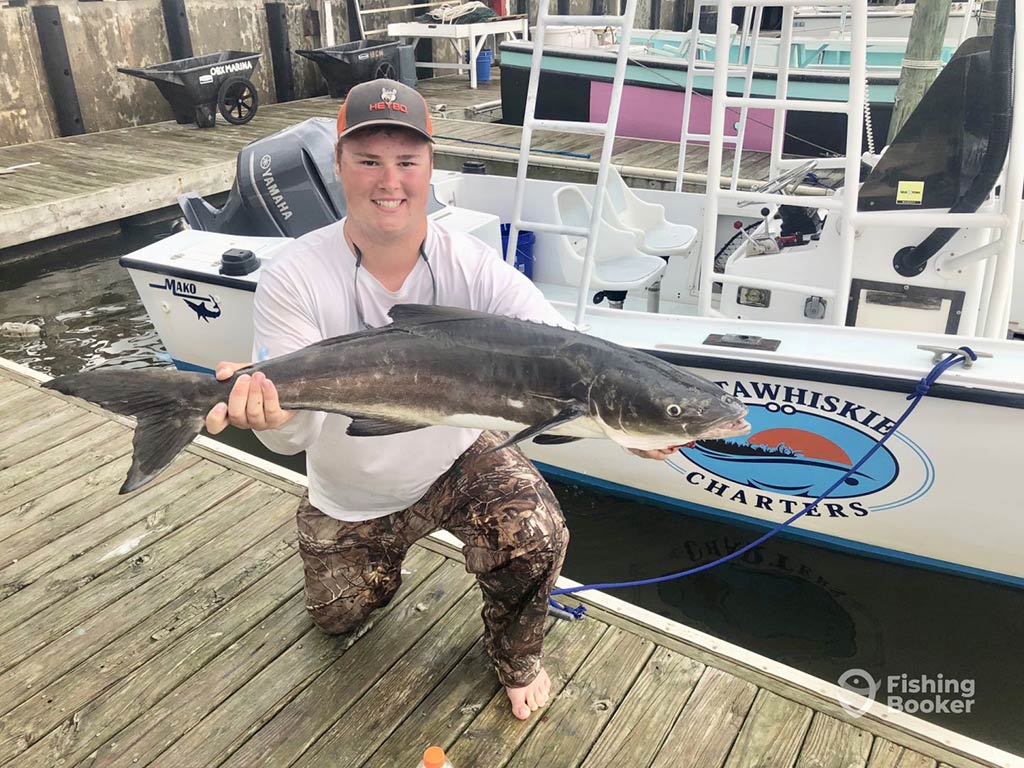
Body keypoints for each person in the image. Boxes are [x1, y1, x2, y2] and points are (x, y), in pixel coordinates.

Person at [204, 78, 677, 720]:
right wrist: (270, 416)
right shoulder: (294, 275)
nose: (389, 181)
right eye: (368, 160)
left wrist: (640, 417)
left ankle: (515, 657)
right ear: (339, 165)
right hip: (352, 493)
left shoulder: (472, 265)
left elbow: (562, 350)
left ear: (431, 167)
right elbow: (293, 439)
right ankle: (376, 563)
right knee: (337, 617)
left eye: (407, 161)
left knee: (537, 533)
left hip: (453, 467)